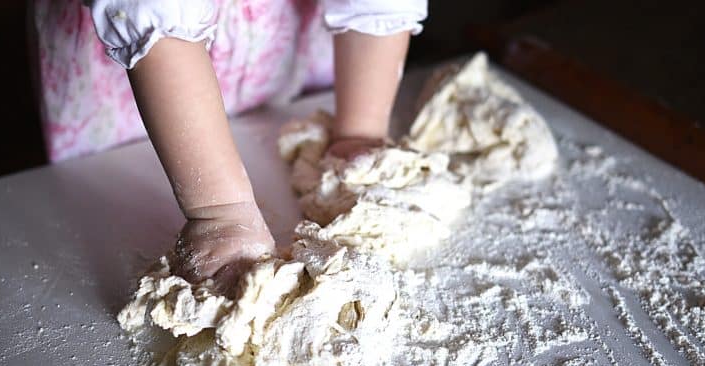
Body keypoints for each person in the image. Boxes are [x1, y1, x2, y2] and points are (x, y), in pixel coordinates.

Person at [39, 0, 427, 289]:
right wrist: (219, 212)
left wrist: (360, 131)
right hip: (137, 82)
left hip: (277, 58)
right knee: (84, 196)